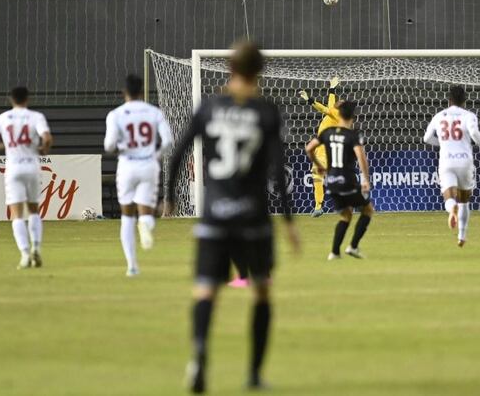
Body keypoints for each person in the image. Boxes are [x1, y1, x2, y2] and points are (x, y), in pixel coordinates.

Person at [165, 40, 300, 393]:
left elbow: (178, 153)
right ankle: (254, 375)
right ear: (260, 72)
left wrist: (169, 198)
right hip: (253, 221)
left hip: (213, 218)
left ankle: (197, 359)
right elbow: (278, 168)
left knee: (206, 291)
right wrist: (288, 223)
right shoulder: (267, 111)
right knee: (261, 293)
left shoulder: (209, 107)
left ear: (229, 69)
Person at [104, 74, 173, 277]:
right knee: (146, 212)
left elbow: (108, 145)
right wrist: (155, 155)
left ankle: (132, 266)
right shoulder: (154, 112)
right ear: (142, 92)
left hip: (127, 166)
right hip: (148, 166)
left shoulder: (115, 114)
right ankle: (145, 224)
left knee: (126, 216)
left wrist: (121, 148)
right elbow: (168, 141)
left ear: (124, 92)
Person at [0, 87, 52, 269]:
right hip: (32, 166)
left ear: (11, 99)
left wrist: (6, 146)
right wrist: (43, 149)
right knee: (34, 210)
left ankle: (24, 254)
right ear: (27, 99)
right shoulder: (36, 117)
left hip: (13, 168)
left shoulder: (2, 118)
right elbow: (47, 138)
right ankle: (36, 247)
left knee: (16, 214)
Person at [423, 86, 480, 247]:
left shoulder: (439, 116)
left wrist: (441, 143)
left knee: (448, 196)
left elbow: (426, 138)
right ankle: (461, 236)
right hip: (464, 161)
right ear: (464, 101)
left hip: (446, 161)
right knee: (464, 200)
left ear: (449, 100)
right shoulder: (469, 116)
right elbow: (474, 133)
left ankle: (451, 208)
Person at [305, 101, 374, 260]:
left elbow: (309, 148)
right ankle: (353, 246)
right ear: (352, 117)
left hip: (332, 183)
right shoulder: (351, 136)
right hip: (347, 181)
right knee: (368, 210)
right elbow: (361, 157)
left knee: (345, 216)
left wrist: (317, 165)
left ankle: (334, 252)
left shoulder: (327, 133)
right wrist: (365, 180)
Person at [299, 77, 341, 217]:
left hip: (326, 152)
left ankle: (319, 206)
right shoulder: (332, 113)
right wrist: (332, 88)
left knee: (318, 174)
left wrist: (309, 99)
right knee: (320, 176)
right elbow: (329, 103)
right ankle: (319, 206)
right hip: (322, 150)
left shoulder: (335, 115)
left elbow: (323, 108)